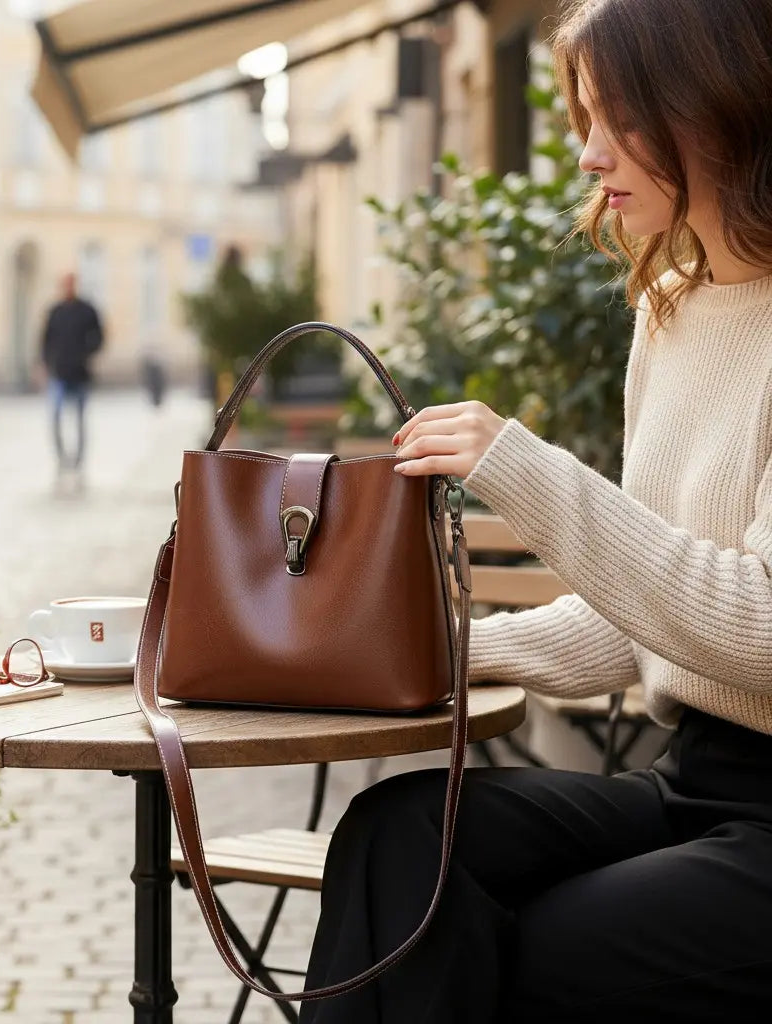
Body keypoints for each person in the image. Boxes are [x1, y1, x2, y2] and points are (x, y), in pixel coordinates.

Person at [300, 1, 772, 1021]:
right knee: (398, 837)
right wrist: (433, 651)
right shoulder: (672, 309)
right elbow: (643, 609)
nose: (590, 155)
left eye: (618, 118)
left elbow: (762, 629)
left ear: (715, 107)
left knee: (547, 943)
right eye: (580, 119)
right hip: (695, 781)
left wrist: (525, 469)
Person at [40, 272, 104, 475]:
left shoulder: (87, 310)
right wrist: (45, 363)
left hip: (80, 373)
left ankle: (78, 458)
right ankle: (61, 456)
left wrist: (86, 353)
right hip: (59, 373)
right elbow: (45, 340)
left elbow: (99, 336)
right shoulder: (55, 311)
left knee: (79, 419)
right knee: (56, 416)